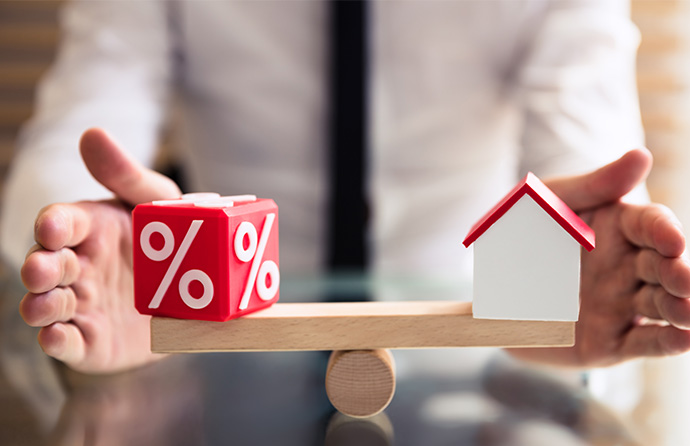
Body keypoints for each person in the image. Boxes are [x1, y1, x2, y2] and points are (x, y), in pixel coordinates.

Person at [3, 0, 690, 374]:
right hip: (216, 374)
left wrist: (581, 272)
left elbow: (591, 159)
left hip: (470, 382)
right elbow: (77, 130)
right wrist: (80, 248)